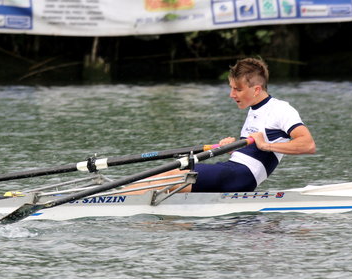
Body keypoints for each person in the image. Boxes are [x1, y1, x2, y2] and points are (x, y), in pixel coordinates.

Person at [125, 57, 316, 194]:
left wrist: (266, 146)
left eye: (237, 89)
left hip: (242, 176)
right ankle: (116, 198)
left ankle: (108, 200)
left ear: (256, 89)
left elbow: (308, 144)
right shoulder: (254, 109)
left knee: (172, 175)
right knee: (167, 179)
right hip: (233, 171)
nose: (232, 95)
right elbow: (254, 151)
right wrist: (232, 150)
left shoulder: (281, 109)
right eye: (231, 88)